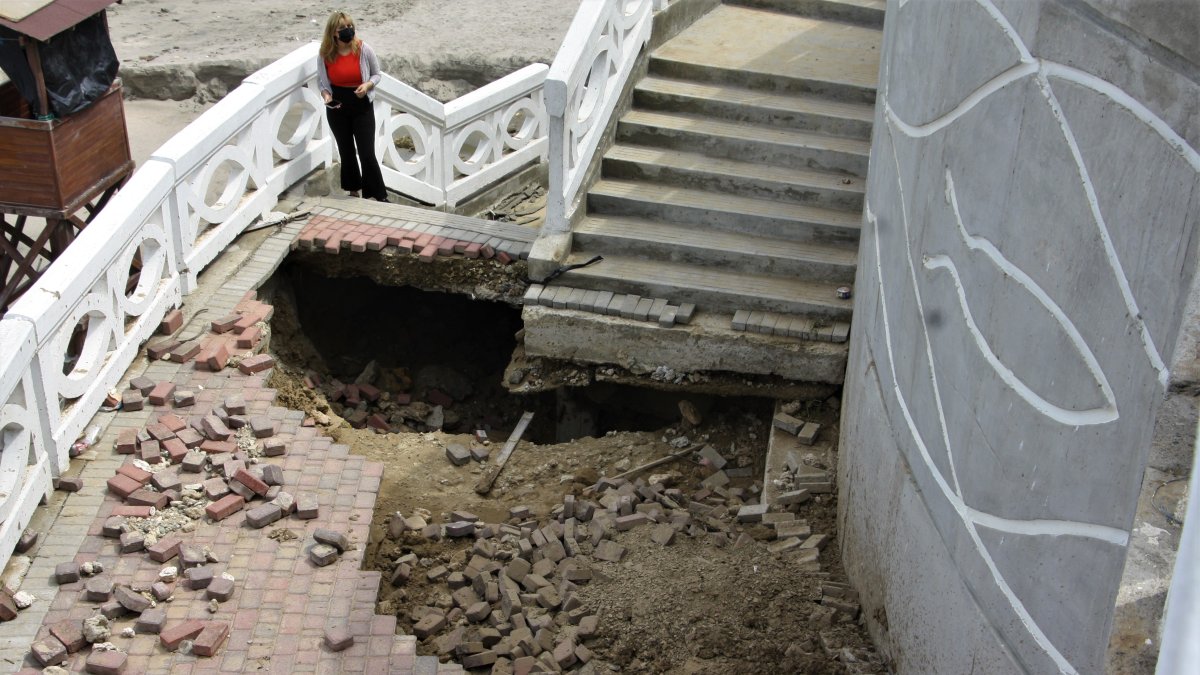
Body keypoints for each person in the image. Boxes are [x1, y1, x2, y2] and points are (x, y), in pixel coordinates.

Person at [317, 11, 388, 202]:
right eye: (342, 29)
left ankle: (378, 195)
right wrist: (326, 96)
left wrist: (367, 85)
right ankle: (353, 190)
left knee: (366, 152)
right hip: (338, 106)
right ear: (333, 33)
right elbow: (323, 83)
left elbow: (377, 74)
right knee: (346, 150)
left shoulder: (364, 49)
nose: (348, 31)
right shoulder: (325, 54)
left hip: (361, 103)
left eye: (350, 27)